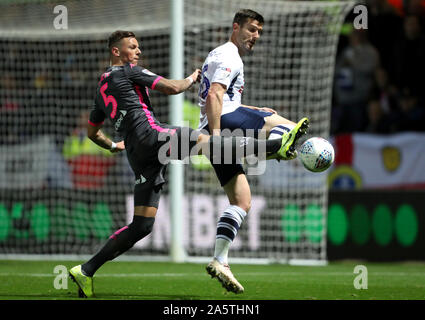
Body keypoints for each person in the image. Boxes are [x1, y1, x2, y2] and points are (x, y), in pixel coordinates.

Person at [68, 30, 302, 298]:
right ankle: (275, 146)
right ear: (116, 52)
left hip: (137, 153)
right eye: (132, 47)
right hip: (153, 136)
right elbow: (172, 88)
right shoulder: (127, 71)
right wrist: (193, 77)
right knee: (208, 142)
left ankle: (85, 270)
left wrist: (113, 145)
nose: (138, 51)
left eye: (138, 46)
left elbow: (91, 133)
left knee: (142, 226)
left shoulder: (100, 90)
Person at [197, 9, 309, 294]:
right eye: (251, 29)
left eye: (259, 31)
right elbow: (215, 95)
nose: (255, 36)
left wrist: (252, 111)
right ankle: (275, 150)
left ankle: (220, 260)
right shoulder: (229, 56)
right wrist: (219, 134)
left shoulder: (218, 53)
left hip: (215, 127)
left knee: (242, 201)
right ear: (236, 27)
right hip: (221, 125)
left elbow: (224, 94)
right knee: (288, 127)